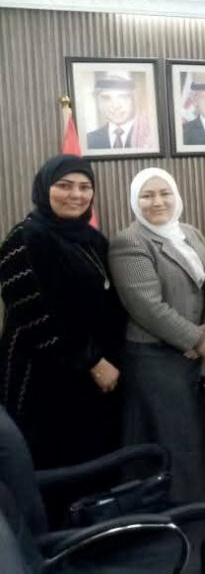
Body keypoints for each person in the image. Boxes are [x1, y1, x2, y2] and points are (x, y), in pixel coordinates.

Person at [0, 154, 125, 469]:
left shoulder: (93, 240)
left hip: (95, 376)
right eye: (64, 186)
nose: (76, 195)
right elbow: (33, 316)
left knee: (95, 459)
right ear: (44, 189)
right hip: (44, 379)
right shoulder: (24, 237)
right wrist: (92, 362)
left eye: (85, 187)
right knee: (54, 465)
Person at [108, 168, 205, 504]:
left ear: (176, 196)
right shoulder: (130, 242)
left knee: (193, 439)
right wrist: (197, 339)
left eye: (165, 193)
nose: (157, 202)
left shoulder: (190, 233)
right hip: (153, 358)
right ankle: (185, 524)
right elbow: (146, 306)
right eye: (147, 195)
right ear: (135, 201)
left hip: (188, 357)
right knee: (176, 445)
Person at [86, 72, 140, 149]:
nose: (115, 106)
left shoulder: (148, 137)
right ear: (99, 103)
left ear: (134, 100)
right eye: (107, 98)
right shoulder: (89, 140)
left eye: (123, 97)